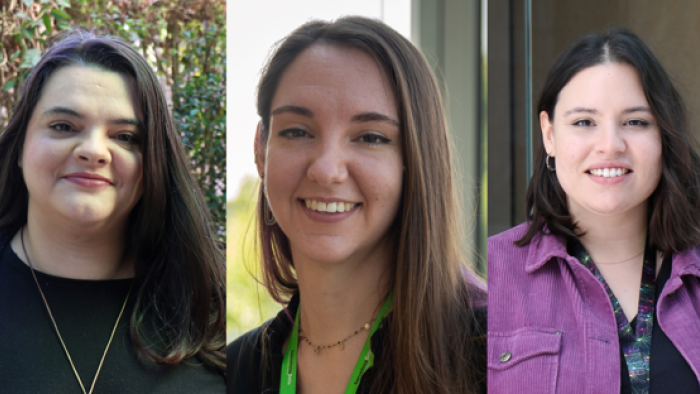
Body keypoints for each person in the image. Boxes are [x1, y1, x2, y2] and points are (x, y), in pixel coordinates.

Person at [228, 16, 486, 394]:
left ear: (415, 161)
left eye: (370, 137)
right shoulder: (233, 371)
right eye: (297, 131)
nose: (326, 170)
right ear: (260, 152)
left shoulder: (500, 354)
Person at [0, 31, 226, 393]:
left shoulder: (211, 308)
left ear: (153, 162)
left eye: (125, 137)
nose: (93, 151)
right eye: (63, 127)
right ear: (21, 148)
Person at [488, 28, 700, 393]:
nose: (610, 145)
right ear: (549, 134)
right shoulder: (490, 274)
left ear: (663, 134)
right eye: (584, 122)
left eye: (635, 122)